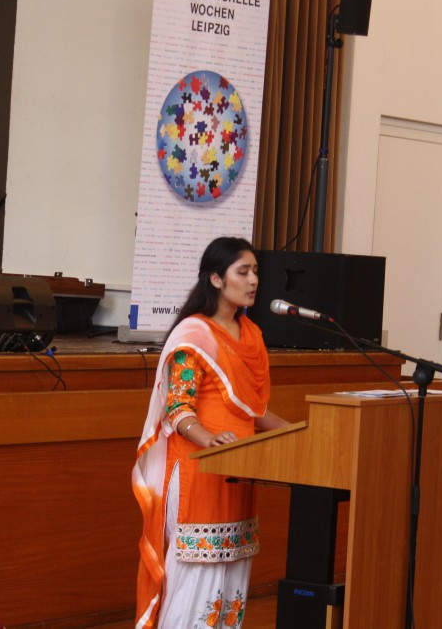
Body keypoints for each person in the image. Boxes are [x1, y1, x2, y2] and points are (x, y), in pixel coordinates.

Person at [133, 236, 290, 629]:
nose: (253, 280)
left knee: (231, 580)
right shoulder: (194, 335)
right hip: (198, 472)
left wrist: (302, 432)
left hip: (239, 471)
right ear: (217, 279)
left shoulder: (250, 334)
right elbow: (178, 408)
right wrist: (209, 440)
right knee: (198, 580)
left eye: (256, 271)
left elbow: (252, 411)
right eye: (243, 271)